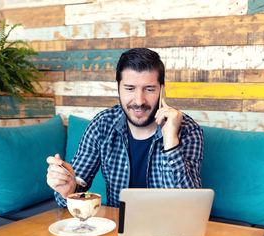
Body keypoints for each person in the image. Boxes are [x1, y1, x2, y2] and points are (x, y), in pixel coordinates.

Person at [46, 48, 203, 207]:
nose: (139, 101)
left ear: (162, 90)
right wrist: (68, 190)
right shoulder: (102, 125)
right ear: (118, 88)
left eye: (149, 89)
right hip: (117, 225)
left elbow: (191, 205)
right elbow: (74, 188)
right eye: (129, 88)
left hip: (169, 228)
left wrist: (171, 143)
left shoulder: (188, 129)